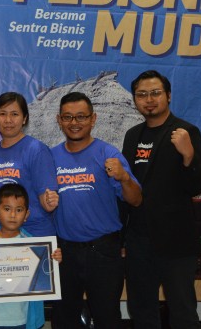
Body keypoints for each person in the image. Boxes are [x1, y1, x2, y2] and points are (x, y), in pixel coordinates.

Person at [121, 70, 201, 329]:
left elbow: (196, 187)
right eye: (142, 94)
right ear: (135, 99)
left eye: (155, 93)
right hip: (139, 240)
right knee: (141, 310)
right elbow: (127, 187)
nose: (149, 100)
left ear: (168, 95)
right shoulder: (132, 136)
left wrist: (188, 157)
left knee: (183, 312)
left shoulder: (186, 132)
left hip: (176, 241)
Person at [49, 91, 142, 329]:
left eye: (81, 116)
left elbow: (136, 200)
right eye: (68, 117)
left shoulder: (108, 154)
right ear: (59, 120)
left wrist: (124, 178)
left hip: (103, 252)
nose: (74, 123)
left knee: (107, 318)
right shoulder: (50, 157)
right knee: (63, 319)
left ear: (93, 119)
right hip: (64, 253)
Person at [0, 183, 63, 329]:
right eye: (7, 209)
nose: (13, 215)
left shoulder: (35, 245)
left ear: (26, 215)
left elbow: (45, 275)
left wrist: (54, 260)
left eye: (19, 210)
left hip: (24, 319)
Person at [0, 92, 58, 236]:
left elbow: (47, 202)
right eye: (2, 114)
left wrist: (50, 201)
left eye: (14, 114)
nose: (8, 120)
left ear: (24, 119)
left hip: (33, 235)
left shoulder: (37, 150)